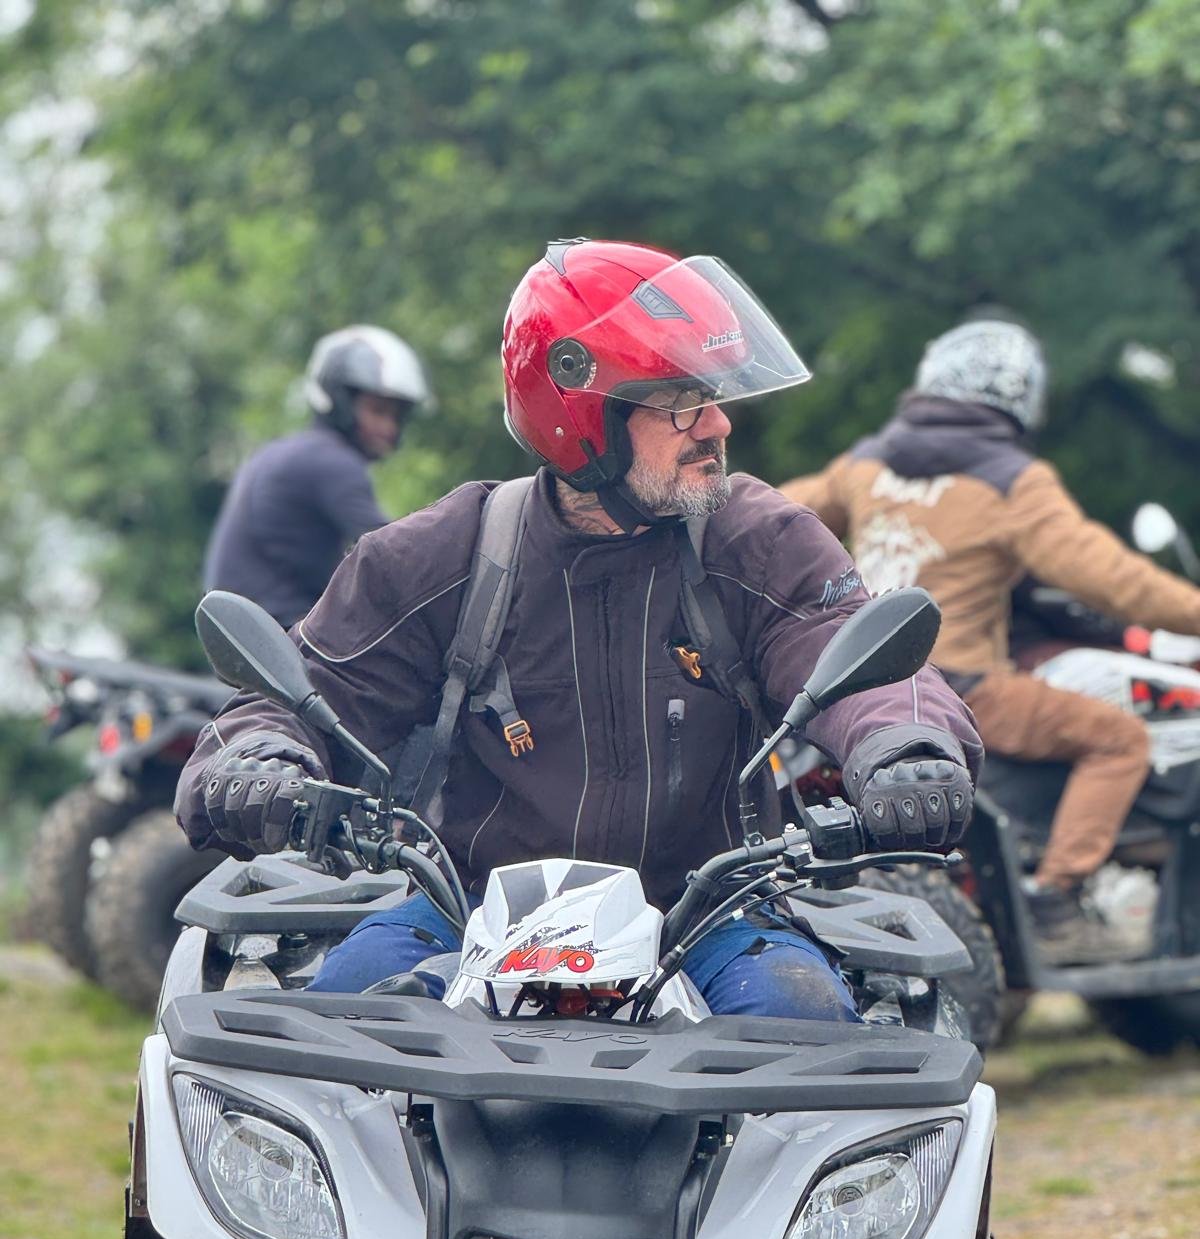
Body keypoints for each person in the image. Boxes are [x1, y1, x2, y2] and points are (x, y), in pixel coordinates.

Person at [177, 240, 980, 1019]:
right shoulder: (447, 555)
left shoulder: (757, 541)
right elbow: (305, 689)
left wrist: (903, 749)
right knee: (338, 1030)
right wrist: (259, 759)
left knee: (806, 1030)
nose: (717, 426)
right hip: (472, 909)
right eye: (680, 403)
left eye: (714, 397)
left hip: (706, 915)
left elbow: (858, 655)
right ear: (580, 418)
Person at [780, 315, 1200, 962]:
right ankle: (1056, 898)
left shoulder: (866, 464)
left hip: (851, 683)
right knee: (1121, 739)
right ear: (1020, 395)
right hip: (961, 690)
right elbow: (1113, 581)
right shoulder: (1010, 480)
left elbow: (778, 519)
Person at [203, 325, 430, 628]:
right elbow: (394, 554)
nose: (388, 427)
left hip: (247, 634)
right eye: (377, 410)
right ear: (340, 400)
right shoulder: (332, 463)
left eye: (396, 416)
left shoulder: (289, 451)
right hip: (285, 640)